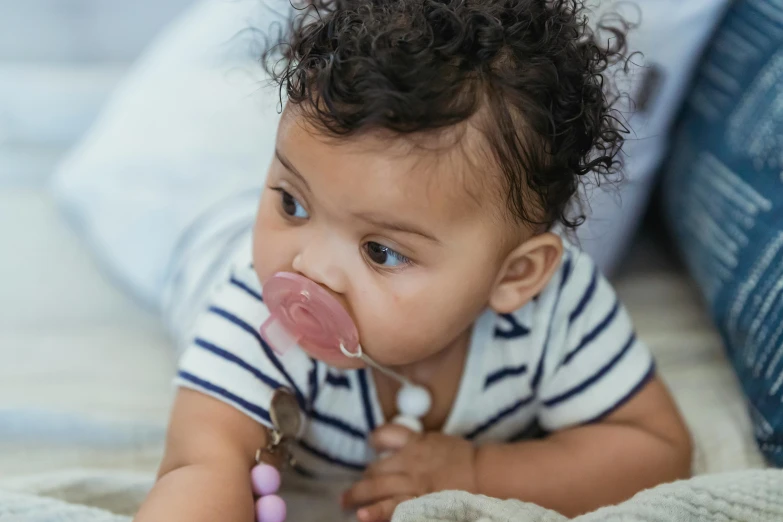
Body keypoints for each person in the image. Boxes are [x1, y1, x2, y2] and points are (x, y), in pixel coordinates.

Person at [134, 1, 691, 521]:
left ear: (516, 276)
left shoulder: (558, 312)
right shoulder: (257, 314)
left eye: (380, 250)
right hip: (205, 250)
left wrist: (481, 473)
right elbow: (200, 465)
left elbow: (655, 450)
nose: (309, 269)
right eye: (291, 202)